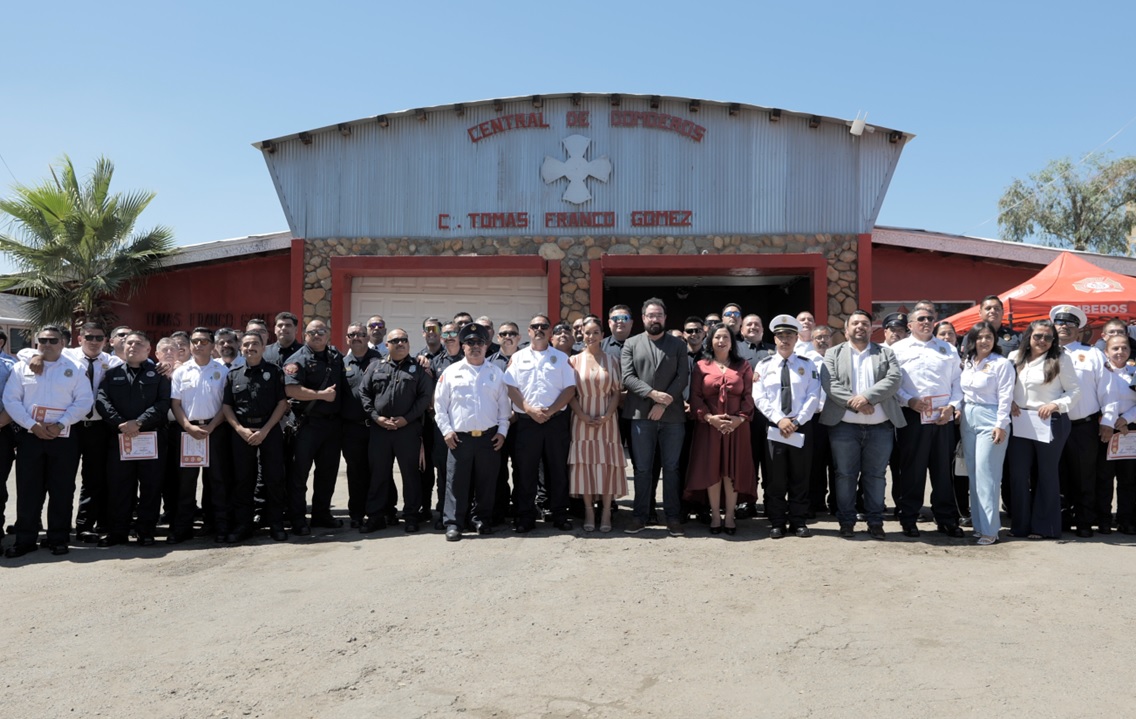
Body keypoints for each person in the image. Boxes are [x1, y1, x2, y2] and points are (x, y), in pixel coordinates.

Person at [2, 326, 92, 557]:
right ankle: (25, 539)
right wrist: (32, 425)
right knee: (28, 490)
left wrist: (61, 423)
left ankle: (58, 538)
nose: (47, 344)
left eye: (53, 340)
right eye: (42, 340)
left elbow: (83, 401)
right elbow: (11, 400)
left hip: (63, 438)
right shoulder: (23, 368)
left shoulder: (76, 368)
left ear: (63, 343)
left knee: (62, 489)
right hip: (30, 437)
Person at [819, 310, 904, 540]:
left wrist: (866, 398)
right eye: (855, 323)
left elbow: (894, 379)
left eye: (865, 323)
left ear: (871, 328)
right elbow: (830, 383)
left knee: (875, 476)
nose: (860, 327)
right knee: (845, 475)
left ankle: (875, 521)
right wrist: (855, 404)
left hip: (880, 426)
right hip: (844, 426)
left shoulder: (885, 353)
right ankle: (846, 521)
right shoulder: (833, 353)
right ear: (846, 330)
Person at [891, 303, 964, 538]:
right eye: (920, 318)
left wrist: (952, 407)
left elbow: (958, 383)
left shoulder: (947, 349)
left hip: (942, 416)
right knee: (913, 470)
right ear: (910, 325)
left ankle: (946, 518)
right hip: (913, 416)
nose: (926, 322)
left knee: (943, 470)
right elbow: (893, 384)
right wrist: (908, 401)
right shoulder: (897, 349)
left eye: (929, 318)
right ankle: (909, 518)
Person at [434, 323, 512, 541]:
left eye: (479, 342)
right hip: (460, 439)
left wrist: (503, 432)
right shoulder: (451, 372)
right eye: (470, 342)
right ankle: (454, 523)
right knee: (456, 483)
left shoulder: (496, 373)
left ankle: (481, 519)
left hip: (488, 438)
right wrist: (447, 431)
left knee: (486, 483)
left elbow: (504, 409)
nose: (475, 346)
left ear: (486, 346)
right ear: (463, 346)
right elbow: (439, 406)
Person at [96, 331, 171, 547]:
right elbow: (102, 401)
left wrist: (138, 422)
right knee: (120, 486)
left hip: (150, 438)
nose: (132, 347)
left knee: (150, 486)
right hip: (121, 440)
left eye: (139, 344)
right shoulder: (111, 374)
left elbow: (163, 403)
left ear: (148, 349)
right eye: (129, 343)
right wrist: (121, 423)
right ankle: (118, 531)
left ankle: (145, 531)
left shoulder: (158, 375)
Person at [621, 298, 689, 536]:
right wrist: (652, 394)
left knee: (672, 468)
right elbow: (627, 377)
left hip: (673, 417)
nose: (655, 319)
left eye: (659, 315)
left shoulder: (678, 345)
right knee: (642, 469)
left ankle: (672, 517)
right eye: (651, 315)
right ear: (643, 318)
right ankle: (639, 516)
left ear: (665, 318)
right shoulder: (631, 343)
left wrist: (664, 401)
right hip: (641, 415)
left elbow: (683, 376)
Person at [1008, 319, 1079, 539]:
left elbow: (1075, 391)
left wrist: (1055, 405)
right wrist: (1008, 400)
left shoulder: (1061, 359)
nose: (1043, 341)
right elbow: (1003, 387)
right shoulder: (1013, 358)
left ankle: (1044, 527)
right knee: (1018, 475)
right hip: (1020, 420)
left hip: (1050, 421)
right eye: (1038, 336)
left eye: (1048, 337)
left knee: (1046, 474)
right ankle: (1019, 526)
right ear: (1028, 336)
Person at [506, 314, 577, 533]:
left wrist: (552, 410)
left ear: (550, 332)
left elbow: (570, 389)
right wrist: (528, 409)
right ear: (528, 332)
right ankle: (525, 516)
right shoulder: (517, 358)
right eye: (534, 326)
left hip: (555, 422)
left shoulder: (561, 358)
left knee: (557, 470)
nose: (539, 329)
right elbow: (510, 387)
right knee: (525, 472)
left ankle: (559, 514)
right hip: (527, 423)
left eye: (543, 326)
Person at [357, 327, 432, 534]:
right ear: (387, 345)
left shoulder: (418, 368)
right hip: (380, 430)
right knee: (379, 475)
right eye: (396, 340)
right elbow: (364, 394)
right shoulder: (375, 366)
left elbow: (425, 397)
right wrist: (376, 417)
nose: (400, 343)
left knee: (410, 475)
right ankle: (376, 517)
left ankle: (410, 516)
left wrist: (406, 419)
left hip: (407, 431)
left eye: (404, 340)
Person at [753, 315, 822, 538]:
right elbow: (759, 397)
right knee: (775, 477)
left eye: (789, 336)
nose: (785, 340)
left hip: (800, 427)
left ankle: (798, 521)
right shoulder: (763, 366)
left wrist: (797, 421)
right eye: (781, 336)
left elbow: (813, 395)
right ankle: (777, 521)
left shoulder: (807, 364)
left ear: (796, 338)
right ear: (774, 339)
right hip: (775, 427)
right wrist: (779, 419)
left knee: (800, 476)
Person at [686, 323, 756, 536]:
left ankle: (730, 517)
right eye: (717, 337)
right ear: (711, 341)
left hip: (737, 428)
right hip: (709, 427)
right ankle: (715, 515)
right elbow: (695, 396)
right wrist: (709, 418)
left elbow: (749, 396)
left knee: (731, 471)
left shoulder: (743, 365)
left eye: (725, 337)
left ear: (732, 341)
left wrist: (739, 419)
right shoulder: (701, 366)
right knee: (713, 470)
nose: (721, 341)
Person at [222, 332, 290, 542]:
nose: (250, 348)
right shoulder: (233, 374)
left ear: (263, 347)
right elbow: (227, 406)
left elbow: (282, 403)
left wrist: (266, 430)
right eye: (246, 345)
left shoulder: (274, 371)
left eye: (255, 344)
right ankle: (244, 524)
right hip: (242, 433)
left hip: (269, 431)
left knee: (274, 478)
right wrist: (240, 430)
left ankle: (276, 523)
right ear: (241, 348)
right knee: (243, 480)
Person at [1052, 304, 1112, 537]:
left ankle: (1085, 521)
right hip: (1051, 424)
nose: (1064, 327)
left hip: (1082, 426)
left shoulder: (1092, 354)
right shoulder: (1044, 352)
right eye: (1060, 322)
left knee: (1085, 475)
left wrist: (1107, 419)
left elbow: (1107, 390)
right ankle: (1061, 519)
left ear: (1079, 330)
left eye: (1071, 323)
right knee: (1055, 474)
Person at [62, 323, 123, 543]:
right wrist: (35, 356)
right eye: (89, 337)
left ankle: (85, 526)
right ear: (79, 339)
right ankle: (60, 527)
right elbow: (28, 351)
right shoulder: (66, 356)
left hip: (97, 428)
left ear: (106, 341)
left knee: (94, 478)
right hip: (69, 425)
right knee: (64, 478)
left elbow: (139, 363)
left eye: (99, 338)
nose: (94, 342)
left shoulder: (112, 361)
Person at [168, 328, 230, 544]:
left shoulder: (222, 371)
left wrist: (212, 426)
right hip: (188, 432)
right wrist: (187, 426)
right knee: (185, 483)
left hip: (215, 430)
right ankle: (182, 528)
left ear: (212, 345)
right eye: (195, 341)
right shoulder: (181, 372)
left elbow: (226, 404)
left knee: (217, 481)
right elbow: (175, 404)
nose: (199, 345)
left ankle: (219, 526)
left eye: (204, 341)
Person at [283, 319, 345, 534]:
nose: (317, 335)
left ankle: (321, 514)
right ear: (305, 335)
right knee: (299, 475)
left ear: (328, 334)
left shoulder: (335, 356)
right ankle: (298, 519)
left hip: (332, 427)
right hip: (306, 425)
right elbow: (291, 390)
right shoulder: (297, 359)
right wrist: (321, 395)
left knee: (327, 474)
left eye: (321, 331)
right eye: (312, 332)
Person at [567, 317, 626, 532]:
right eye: (586, 332)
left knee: (606, 465)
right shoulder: (573, 361)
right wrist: (581, 415)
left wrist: (608, 414)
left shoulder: (612, 360)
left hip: (607, 420)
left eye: (595, 332)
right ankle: (589, 511)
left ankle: (607, 511)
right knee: (585, 465)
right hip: (581, 419)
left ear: (602, 335)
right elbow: (569, 393)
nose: (590, 336)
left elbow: (616, 392)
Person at [959, 321, 1014, 545]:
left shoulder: (1002, 364)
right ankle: (979, 525)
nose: (984, 341)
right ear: (973, 340)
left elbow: (1006, 396)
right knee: (973, 473)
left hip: (991, 419)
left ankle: (991, 530)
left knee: (987, 474)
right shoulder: (968, 362)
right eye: (980, 337)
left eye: (989, 337)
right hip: (968, 417)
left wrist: (1001, 424)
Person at [339, 323, 383, 528]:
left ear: (368, 338)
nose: (356, 338)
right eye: (352, 335)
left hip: (377, 427)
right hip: (351, 428)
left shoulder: (380, 361)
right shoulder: (341, 363)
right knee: (355, 472)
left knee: (379, 470)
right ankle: (356, 513)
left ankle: (381, 512)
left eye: (360, 334)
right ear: (347, 339)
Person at [1098, 333, 1136, 535]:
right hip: (1105, 429)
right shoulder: (1100, 372)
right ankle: (1104, 519)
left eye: (1124, 348)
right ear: (1106, 351)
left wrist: (1126, 419)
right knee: (1104, 478)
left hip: (1129, 431)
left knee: (1128, 479)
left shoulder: (1134, 371)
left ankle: (1126, 519)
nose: (1120, 352)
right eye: (1115, 348)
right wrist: (1111, 421)